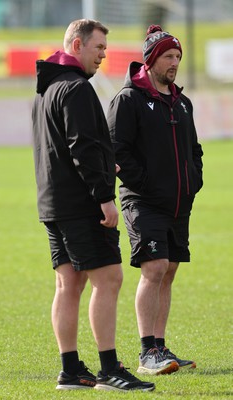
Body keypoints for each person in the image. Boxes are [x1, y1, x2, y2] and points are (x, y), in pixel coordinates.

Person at [32, 19, 154, 392]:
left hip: (54, 203)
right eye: (98, 47)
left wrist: (105, 163)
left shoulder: (46, 89)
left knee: (68, 283)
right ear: (76, 44)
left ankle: (71, 369)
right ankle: (108, 370)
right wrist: (104, 195)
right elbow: (81, 146)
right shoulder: (76, 88)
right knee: (109, 278)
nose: (104, 55)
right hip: (83, 203)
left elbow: (60, 150)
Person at [107, 24, 203, 376]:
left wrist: (194, 180)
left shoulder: (183, 101)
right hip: (143, 201)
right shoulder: (128, 99)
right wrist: (146, 184)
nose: (174, 62)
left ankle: (161, 346)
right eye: (167, 56)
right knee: (154, 268)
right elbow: (117, 152)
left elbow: (195, 150)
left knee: (170, 270)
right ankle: (147, 351)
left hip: (179, 203)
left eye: (177, 56)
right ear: (150, 60)